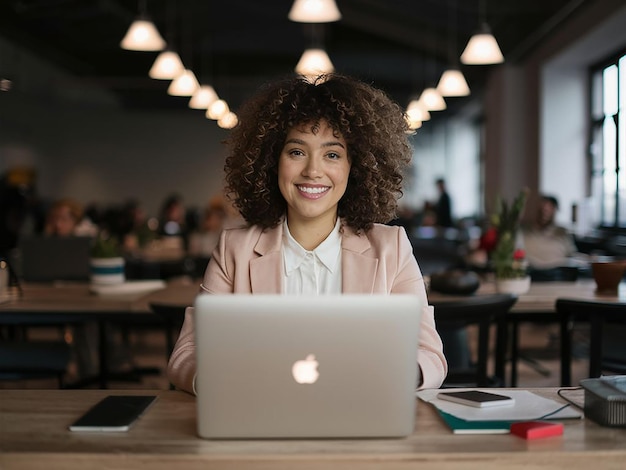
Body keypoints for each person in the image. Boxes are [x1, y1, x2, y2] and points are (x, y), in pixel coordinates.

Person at [167, 73, 447, 394]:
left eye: (332, 154)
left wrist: (396, 373)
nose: (313, 171)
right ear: (273, 161)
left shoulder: (391, 248)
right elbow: (187, 354)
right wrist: (219, 380)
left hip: (361, 414)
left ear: (354, 166)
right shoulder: (235, 249)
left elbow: (430, 357)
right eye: (297, 152)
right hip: (261, 415)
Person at [521, 194, 578, 273]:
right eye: (542, 209)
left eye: (549, 209)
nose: (544, 213)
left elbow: (572, 255)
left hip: (558, 275)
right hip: (531, 273)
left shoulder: (562, 233)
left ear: (555, 210)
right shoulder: (524, 231)